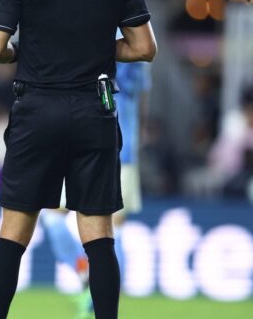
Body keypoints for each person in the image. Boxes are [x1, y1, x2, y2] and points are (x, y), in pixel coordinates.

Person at [0, 0, 157, 318]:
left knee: (13, 234)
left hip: (37, 110)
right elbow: (144, 47)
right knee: (99, 235)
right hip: (93, 110)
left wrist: (23, 52)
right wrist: (94, 50)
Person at [40, 54, 151, 319]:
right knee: (114, 228)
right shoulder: (137, 41)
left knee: (54, 217)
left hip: (86, 140)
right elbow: (142, 97)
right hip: (125, 146)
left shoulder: (93, 30)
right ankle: (103, 296)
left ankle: (84, 273)